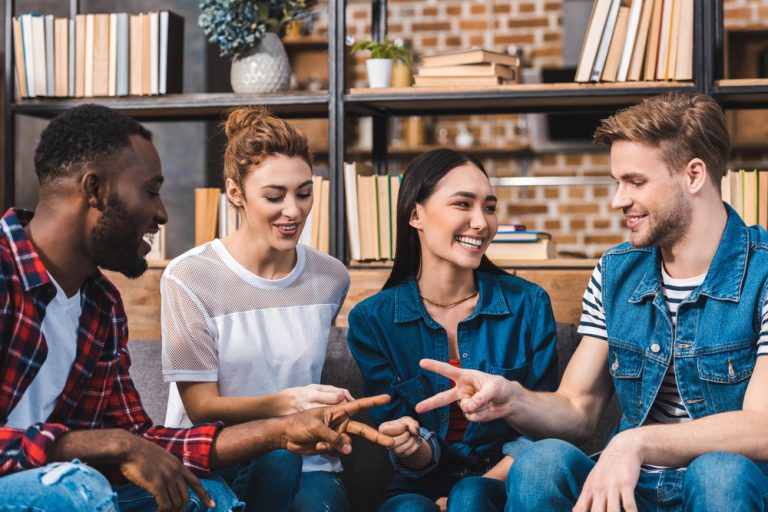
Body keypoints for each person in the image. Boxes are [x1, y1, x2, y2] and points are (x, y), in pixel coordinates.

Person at [0, 103, 394, 512]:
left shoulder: (101, 305)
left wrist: (278, 432)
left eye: (304, 192)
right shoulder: (6, 276)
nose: (162, 214)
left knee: (209, 498)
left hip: (71, 483)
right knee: (78, 488)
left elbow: (137, 438)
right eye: (151, 192)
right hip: (64, 488)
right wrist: (106, 445)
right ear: (95, 191)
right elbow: (122, 442)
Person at [416, 93, 768, 512]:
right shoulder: (616, 271)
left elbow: (761, 426)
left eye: (635, 182)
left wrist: (635, 443)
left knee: (719, 472)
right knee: (541, 462)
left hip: (723, 488)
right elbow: (578, 408)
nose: (618, 200)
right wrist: (512, 398)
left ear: (694, 175)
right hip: (627, 488)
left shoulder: (762, 272)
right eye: (617, 182)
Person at [161, 107, 353, 512]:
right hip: (215, 460)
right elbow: (201, 408)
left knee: (300, 481)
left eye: (304, 193)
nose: (293, 210)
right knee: (277, 457)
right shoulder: (190, 277)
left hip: (309, 462)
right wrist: (287, 405)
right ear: (235, 193)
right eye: (274, 196)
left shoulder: (330, 277)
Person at [347, 148, 559, 511]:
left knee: (471, 497)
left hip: (507, 478)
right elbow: (410, 450)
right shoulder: (372, 321)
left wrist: (474, 489)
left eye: (489, 207)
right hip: (420, 484)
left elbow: (544, 425)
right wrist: (411, 445)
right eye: (463, 204)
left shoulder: (529, 305)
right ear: (416, 214)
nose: (481, 222)